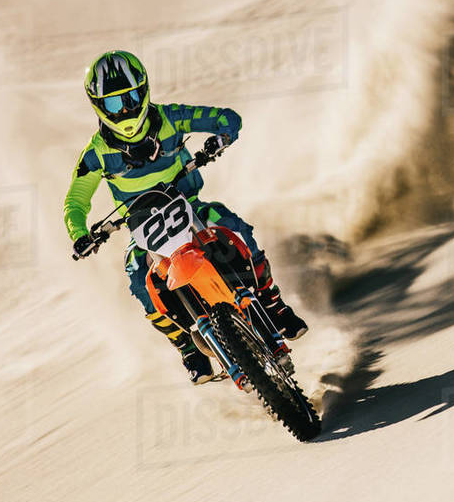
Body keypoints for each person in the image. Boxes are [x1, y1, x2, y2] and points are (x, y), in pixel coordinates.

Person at [63, 51, 307, 384]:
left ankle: (273, 302)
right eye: (115, 105)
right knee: (137, 275)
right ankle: (186, 347)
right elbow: (76, 200)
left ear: (144, 90)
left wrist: (222, 136)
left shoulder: (171, 117)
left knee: (231, 224)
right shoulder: (95, 155)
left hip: (189, 206)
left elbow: (226, 117)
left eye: (132, 98)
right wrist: (79, 232)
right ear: (99, 107)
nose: (126, 110)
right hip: (141, 228)